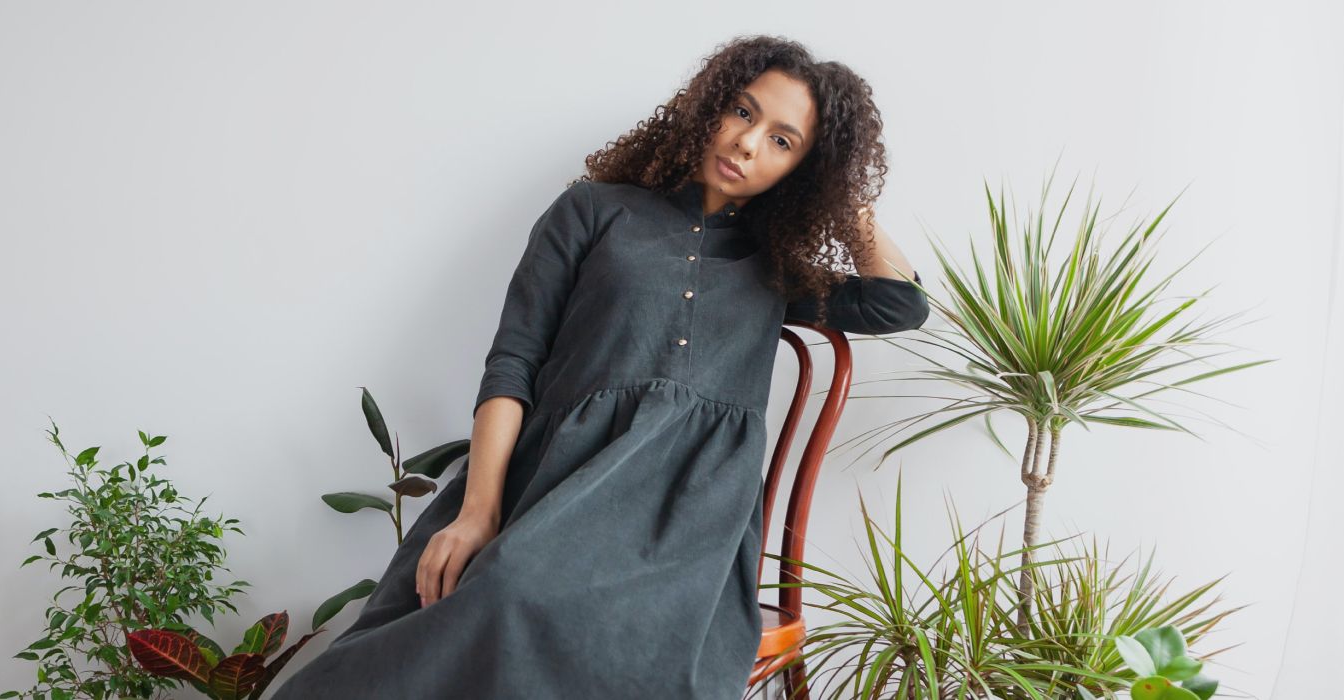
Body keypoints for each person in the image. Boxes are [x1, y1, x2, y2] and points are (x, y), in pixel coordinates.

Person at [270, 34, 928, 699]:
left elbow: (900, 303)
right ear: (709, 107)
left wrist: (838, 189)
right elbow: (514, 361)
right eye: (742, 111)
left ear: (801, 169)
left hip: (683, 519)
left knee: (532, 603)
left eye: (783, 142)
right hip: (551, 483)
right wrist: (477, 511)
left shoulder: (775, 267)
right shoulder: (594, 210)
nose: (747, 143)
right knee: (493, 592)